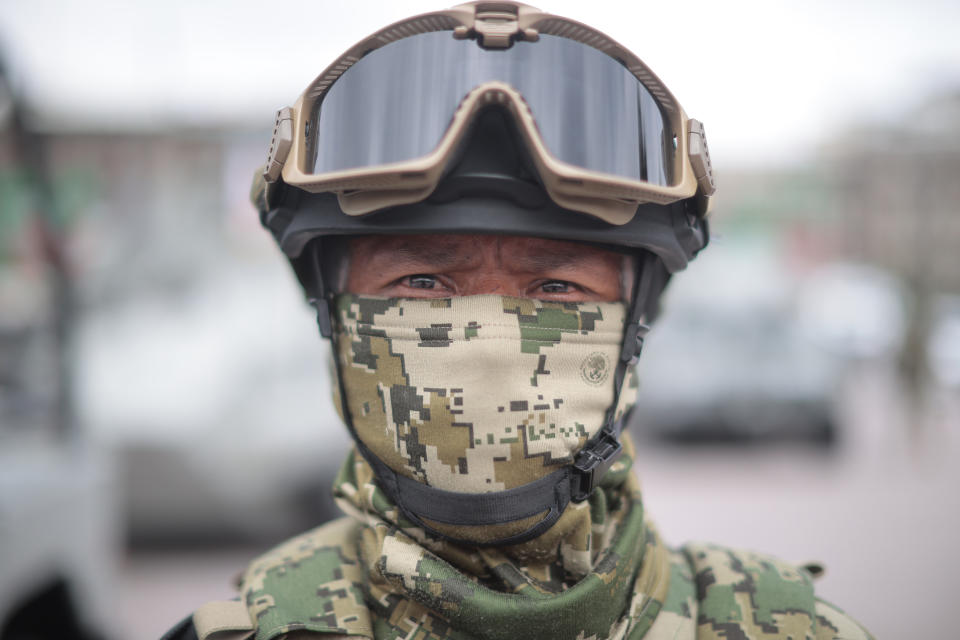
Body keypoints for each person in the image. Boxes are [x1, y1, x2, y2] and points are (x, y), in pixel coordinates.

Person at [163, 2, 872, 638]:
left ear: (633, 332)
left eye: (556, 287)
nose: (491, 345)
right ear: (335, 317)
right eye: (421, 281)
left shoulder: (781, 626)